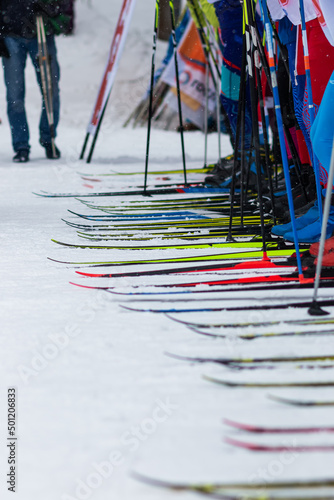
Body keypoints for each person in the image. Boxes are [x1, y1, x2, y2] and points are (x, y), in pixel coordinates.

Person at [0, 1, 70, 162]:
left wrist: (49, 8)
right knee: (14, 96)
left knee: (50, 90)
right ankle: (21, 145)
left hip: (41, 32)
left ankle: (48, 138)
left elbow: (62, 4)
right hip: (10, 35)